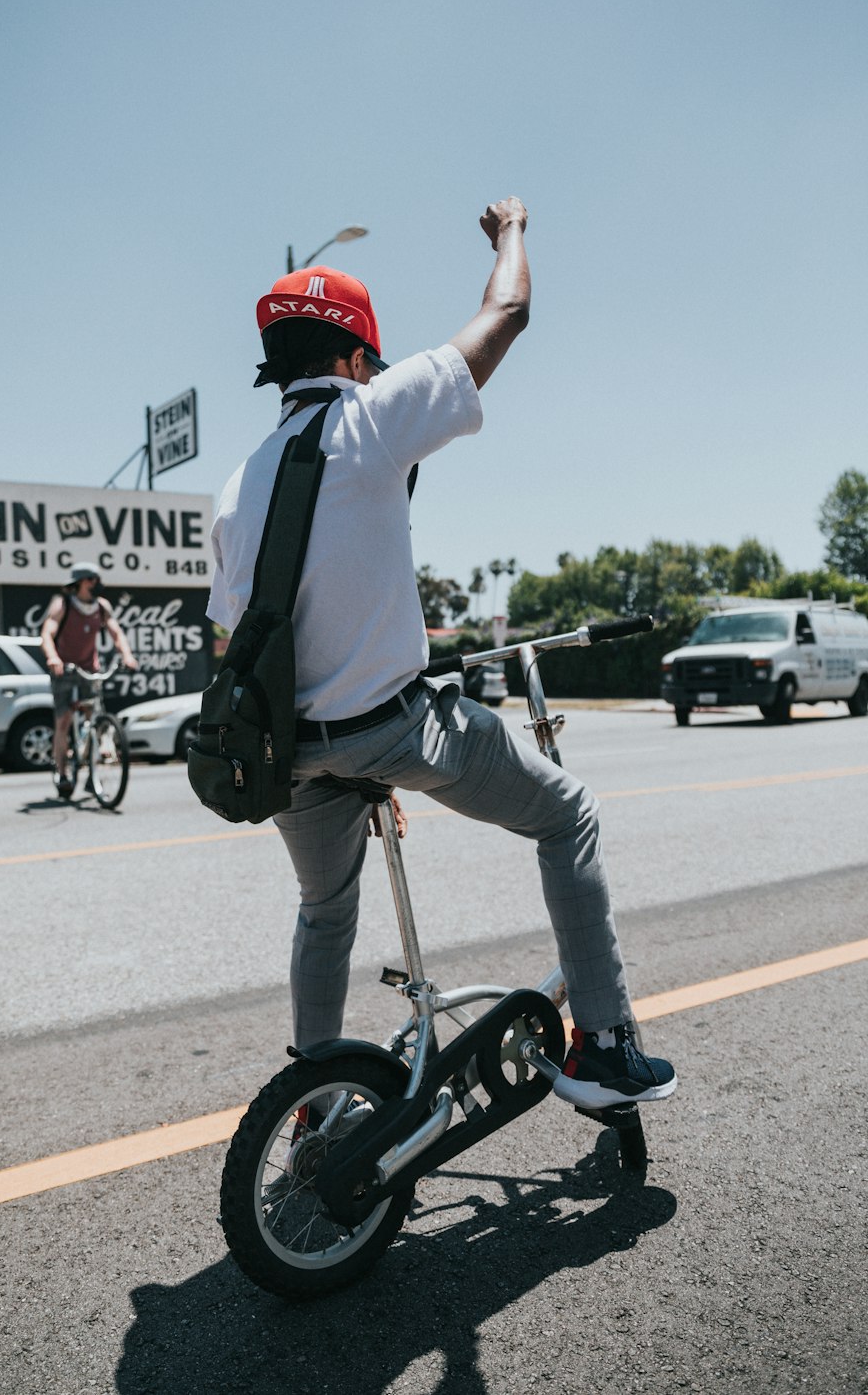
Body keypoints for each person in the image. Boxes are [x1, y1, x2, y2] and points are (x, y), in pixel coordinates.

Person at [207, 198, 676, 1111]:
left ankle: (318, 1105)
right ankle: (608, 1048)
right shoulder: (373, 417)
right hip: (393, 731)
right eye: (371, 361)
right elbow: (506, 316)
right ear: (351, 360)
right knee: (567, 813)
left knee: (324, 911)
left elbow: (247, 638)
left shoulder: (237, 483)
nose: (377, 372)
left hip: (289, 753)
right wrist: (512, 233)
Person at [40, 563, 138, 796]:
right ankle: (63, 773)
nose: (98, 584)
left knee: (94, 715)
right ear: (82, 582)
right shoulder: (63, 605)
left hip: (89, 668)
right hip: (64, 669)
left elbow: (116, 632)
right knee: (63, 720)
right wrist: (53, 658)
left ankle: (93, 766)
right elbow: (47, 632)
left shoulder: (101, 606)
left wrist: (127, 654)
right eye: (93, 579)